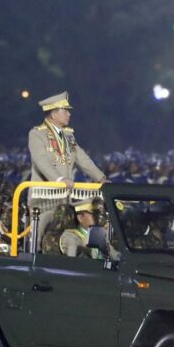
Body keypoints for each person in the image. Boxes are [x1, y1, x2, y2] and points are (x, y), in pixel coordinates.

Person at [27, 92, 106, 241]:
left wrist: (100, 177)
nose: (69, 114)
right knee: (39, 237)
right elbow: (41, 161)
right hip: (44, 197)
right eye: (65, 111)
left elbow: (82, 158)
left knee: (67, 235)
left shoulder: (69, 136)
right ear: (53, 114)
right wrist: (59, 179)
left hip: (65, 197)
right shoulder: (37, 134)